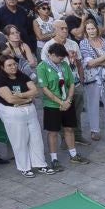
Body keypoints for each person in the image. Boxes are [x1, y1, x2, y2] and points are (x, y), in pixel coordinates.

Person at [36, 41, 85, 170]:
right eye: (59, 57)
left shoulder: (64, 64)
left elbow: (72, 83)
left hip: (66, 103)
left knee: (69, 128)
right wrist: (60, 102)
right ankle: (54, 159)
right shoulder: (42, 67)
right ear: (51, 54)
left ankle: (73, 154)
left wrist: (68, 100)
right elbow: (45, 89)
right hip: (52, 105)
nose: (61, 59)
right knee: (53, 132)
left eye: (63, 57)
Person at [76, 17, 105, 141]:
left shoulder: (104, 41)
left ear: (97, 29)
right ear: (85, 30)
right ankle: (94, 130)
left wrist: (99, 61)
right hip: (92, 78)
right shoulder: (83, 43)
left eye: (93, 28)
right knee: (93, 104)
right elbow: (89, 63)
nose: (91, 31)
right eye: (88, 29)